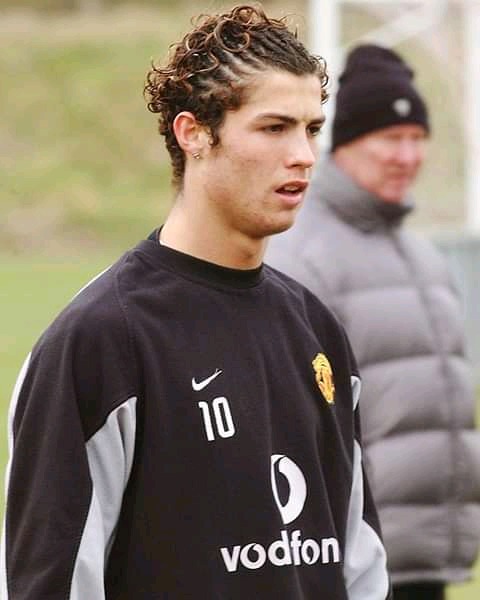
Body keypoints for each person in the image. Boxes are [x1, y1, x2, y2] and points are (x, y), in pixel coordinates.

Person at [0, 6, 391, 599]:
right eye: (273, 128)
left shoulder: (316, 328)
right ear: (194, 134)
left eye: (311, 129)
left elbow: (359, 567)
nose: (304, 155)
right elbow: (50, 581)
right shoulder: (103, 338)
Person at [266, 43, 480, 600]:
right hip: (350, 563)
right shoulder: (298, 253)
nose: (407, 156)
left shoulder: (425, 258)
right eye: (390, 138)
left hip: (424, 559)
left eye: (417, 138)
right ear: (343, 145)